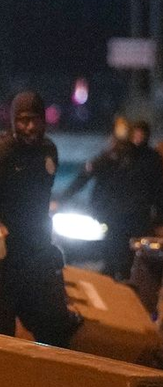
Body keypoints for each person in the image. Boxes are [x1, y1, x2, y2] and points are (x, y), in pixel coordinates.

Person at [0, 91, 80, 348]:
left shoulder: (48, 151)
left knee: (54, 324)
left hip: (31, 251)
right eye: (22, 121)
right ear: (13, 122)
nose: (28, 128)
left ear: (43, 121)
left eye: (34, 120)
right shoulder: (1, 150)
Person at [59, 116, 152, 279]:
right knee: (114, 251)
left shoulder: (147, 160)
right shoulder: (111, 156)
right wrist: (61, 199)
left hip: (132, 216)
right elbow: (85, 176)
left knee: (124, 254)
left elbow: (153, 189)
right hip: (113, 214)